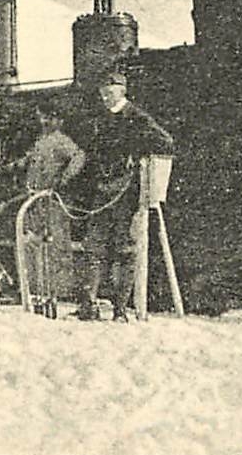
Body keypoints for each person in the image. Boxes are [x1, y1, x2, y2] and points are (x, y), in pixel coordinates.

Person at [73, 70, 174, 322]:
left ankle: (120, 309)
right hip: (102, 193)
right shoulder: (101, 118)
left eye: (109, 93)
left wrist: (136, 155)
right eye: (102, 94)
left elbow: (165, 142)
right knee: (93, 248)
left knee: (124, 250)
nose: (105, 98)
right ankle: (89, 306)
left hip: (125, 195)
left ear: (121, 91)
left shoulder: (136, 117)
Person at [14, 103, 86, 304]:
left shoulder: (62, 141)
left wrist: (63, 179)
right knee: (32, 242)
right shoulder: (41, 141)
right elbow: (29, 159)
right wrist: (14, 165)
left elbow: (79, 157)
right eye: (41, 117)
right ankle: (35, 288)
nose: (44, 122)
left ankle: (59, 291)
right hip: (35, 200)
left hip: (53, 201)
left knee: (56, 244)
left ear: (59, 121)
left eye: (48, 118)